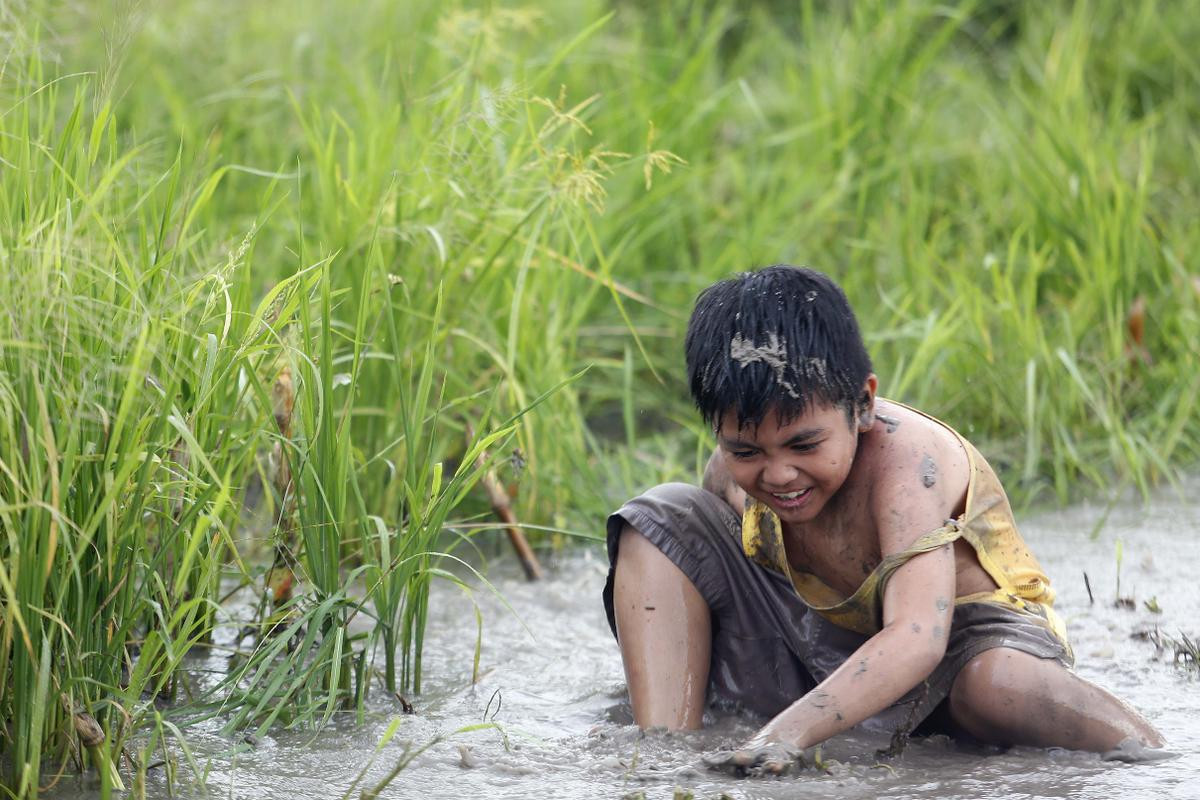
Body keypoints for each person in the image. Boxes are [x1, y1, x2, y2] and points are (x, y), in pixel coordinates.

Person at [602, 265, 1164, 774]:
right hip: (826, 644)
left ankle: (1154, 751)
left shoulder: (906, 469)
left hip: (958, 649)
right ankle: (660, 750)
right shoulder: (730, 472)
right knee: (663, 519)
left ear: (863, 405)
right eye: (747, 451)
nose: (778, 475)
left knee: (996, 687)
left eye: (804, 443)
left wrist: (784, 734)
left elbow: (919, 638)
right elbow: (711, 570)